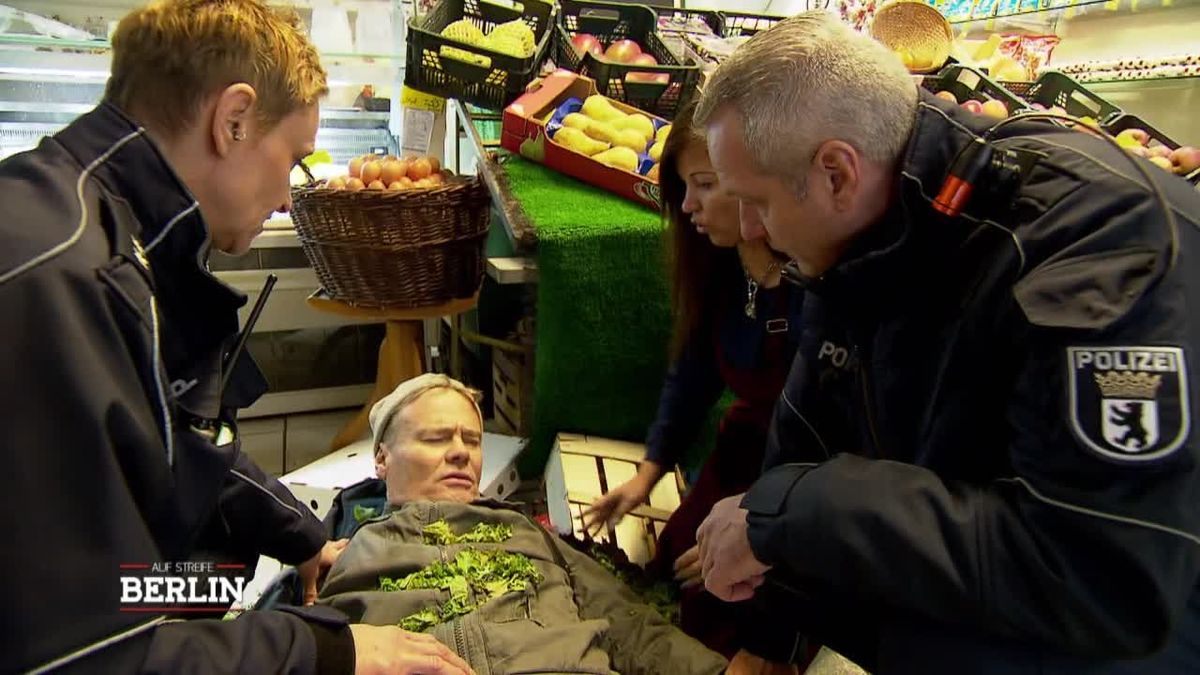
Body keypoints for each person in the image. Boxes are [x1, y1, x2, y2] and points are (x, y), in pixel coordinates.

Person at [692, 12, 1200, 674]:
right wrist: (770, 631)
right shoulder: (865, 225)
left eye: (753, 201)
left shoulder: (1096, 248)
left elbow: (1101, 579)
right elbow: (813, 423)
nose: (751, 229)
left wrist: (795, 512)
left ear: (836, 173)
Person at [0, 2, 469, 674]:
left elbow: (183, 450)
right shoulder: (54, 282)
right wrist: (325, 649)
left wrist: (305, 539)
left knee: (220, 579)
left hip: (122, 594)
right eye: (293, 160)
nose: (287, 196)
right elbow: (83, 653)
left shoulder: (117, 236)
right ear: (234, 120)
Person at [318, 373, 730, 675]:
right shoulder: (350, 553)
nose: (462, 453)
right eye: (436, 438)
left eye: (472, 440)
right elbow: (310, 649)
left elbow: (628, 623)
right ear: (382, 460)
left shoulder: (528, 533)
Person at [581, 101, 803, 658]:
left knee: (728, 596)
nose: (689, 206)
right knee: (678, 558)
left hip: (803, 468)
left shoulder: (810, 277)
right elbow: (693, 374)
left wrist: (761, 527)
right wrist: (647, 474)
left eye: (705, 184)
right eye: (683, 187)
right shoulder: (718, 264)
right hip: (746, 445)